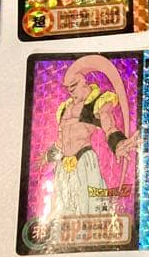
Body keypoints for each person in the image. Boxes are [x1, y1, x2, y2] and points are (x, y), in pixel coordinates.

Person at [44, 55, 139, 216]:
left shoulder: (97, 102)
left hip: (84, 160)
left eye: (74, 85)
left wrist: (118, 143)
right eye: (68, 87)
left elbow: (109, 125)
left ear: (84, 82)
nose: (71, 90)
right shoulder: (65, 108)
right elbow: (61, 139)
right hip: (63, 164)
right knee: (62, 210)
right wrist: (49, 155)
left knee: (89, 208)